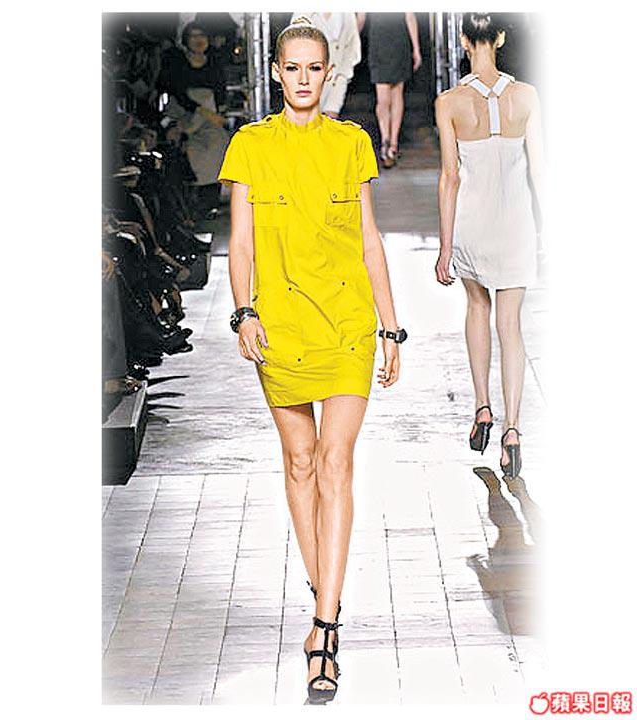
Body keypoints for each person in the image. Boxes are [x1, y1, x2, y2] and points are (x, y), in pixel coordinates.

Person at [218, 18, 405, 704]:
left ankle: (325, 627)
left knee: (335, 461)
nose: (303, 78)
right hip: (282, 326)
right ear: (276, 72)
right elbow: (240, 242)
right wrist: (244, 311)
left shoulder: (351, 143)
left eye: (313, 68)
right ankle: (325, 589)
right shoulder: (251, 145)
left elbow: (370, 240)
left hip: (348, 323)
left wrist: (391, 328)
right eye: (292, 67)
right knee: (299, 462)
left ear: (329, 74)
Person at [434, 12, 544, 479]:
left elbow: (450, 177)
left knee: (477, 309)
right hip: (516, 221)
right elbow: (539, 171)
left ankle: (482, 407)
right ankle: (513, 430)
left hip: (473, 223)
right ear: (499, 38)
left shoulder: (449, 102)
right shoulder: (527, 96)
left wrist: (445, 247)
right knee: (511, 326)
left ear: (463, 41)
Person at [158, 21, 229, 220]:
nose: (198, 40)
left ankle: (209, 202)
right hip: (185, 112)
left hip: (208, 115)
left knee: (218, 142)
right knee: (188, 149)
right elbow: (179, 93)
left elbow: (220, 92)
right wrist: (203, 112)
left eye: (202, 36)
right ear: (185, 40)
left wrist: (218, 113)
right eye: (193, 36)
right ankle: (189, 204)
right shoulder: (178, 63)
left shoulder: (214, 62)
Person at [358, 12, 422, 168]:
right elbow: (361, 18)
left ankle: (392, 144)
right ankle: (386, 141)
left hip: (398, 42)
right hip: (379, 43)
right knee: (383, 98)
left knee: (396, 94)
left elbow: (410, 16)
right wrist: (351, 42)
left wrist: (416, 48)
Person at [289, 12, 361, 118]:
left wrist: (342, 78)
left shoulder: (347, 14)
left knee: (331, 120)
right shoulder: (303, 13)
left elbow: (351, 49)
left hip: (336, 81)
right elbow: (293, 48)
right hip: (307, 82)